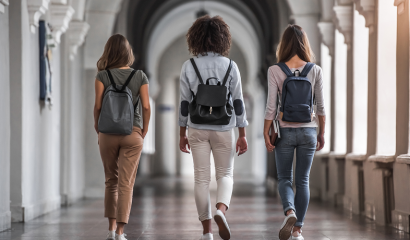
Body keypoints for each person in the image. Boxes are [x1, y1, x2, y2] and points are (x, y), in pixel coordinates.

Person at [179, 15, 249, 240]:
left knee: (200, 179)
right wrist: (242, 133)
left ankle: (207, 232)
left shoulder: (188, 66)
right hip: (224, 127)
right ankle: (221, 210)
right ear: (223, 39)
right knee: (225, 174)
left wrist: (182, 133)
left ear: (195, 38)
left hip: (197, 127)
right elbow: (238, 102)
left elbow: (183, 103)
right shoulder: (231, 66)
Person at [263, 24, 326, 240]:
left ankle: (289, 211)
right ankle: (298, 230)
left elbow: (271, 107)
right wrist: (321, 133)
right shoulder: (315, 70)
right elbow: (322, 108)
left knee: (284, 178)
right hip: (309, 131)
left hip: (286, 132)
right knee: (303, 180)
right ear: (304, 43)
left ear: (284, 44)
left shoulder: (275, 70)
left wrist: (265, 132)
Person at [93, 34, 151, 240]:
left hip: (107, 132)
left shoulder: (102, 76)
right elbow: (145, 106)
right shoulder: (140, 76)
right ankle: (120, 232)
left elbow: (98, 106)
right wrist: (143, 131)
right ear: (128, 52)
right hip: (132, 133)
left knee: (111, 181)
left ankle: (110, 230)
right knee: (126, 183)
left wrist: (97, 127)